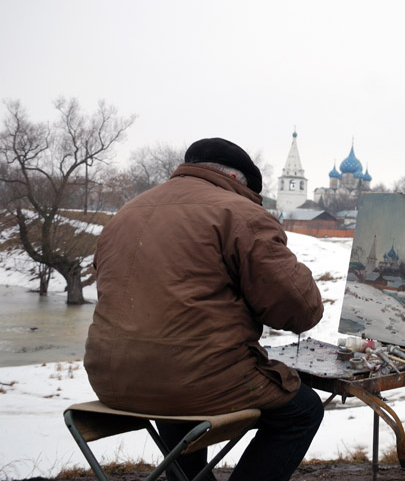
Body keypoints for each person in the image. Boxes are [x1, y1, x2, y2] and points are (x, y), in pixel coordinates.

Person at [85, 138, 324, 481]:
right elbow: (300, 311)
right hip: (193, 379)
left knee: (175, 393)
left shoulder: (127, 211)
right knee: (303, 410)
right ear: (235, 178)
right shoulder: (239, 213)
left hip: (109, 379)